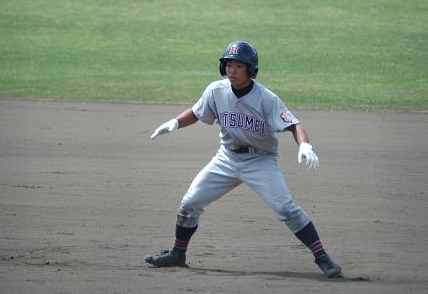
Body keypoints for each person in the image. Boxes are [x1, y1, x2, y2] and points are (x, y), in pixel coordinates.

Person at [145, 41, 342, 278]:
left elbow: (293, 124)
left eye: (238, 66)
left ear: (250, 69)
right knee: (189, 204)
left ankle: (322, 257)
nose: (232, 70)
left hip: (260, 161)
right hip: (226, 159)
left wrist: (305, 145)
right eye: (228, 65)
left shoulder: (266, 98)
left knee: (286, 209)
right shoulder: (215, 90)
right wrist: (175, 122)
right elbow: (197, 113)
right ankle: (177, 253)